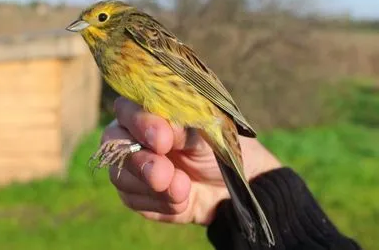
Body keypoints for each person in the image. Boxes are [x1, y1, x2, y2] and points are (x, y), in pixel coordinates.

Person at [102, 97, 362, 249]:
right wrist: (262, 189)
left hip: (200, 118)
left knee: (159, 134)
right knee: (157, 134)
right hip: (218, 171)